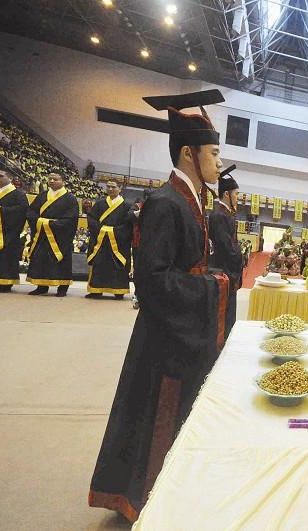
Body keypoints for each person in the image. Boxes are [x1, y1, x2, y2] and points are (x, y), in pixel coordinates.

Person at [89, 90, 230, 523]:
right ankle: (146, 502)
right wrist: (212, 285)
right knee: (158, 417)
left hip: (181, 330)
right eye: (213, 153)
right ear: (189, 153)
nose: (219, 162)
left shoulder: (192, 201)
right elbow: (152, 281)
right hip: (164, 337)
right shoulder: (165, 203)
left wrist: (205, 281)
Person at [26, 172, 79, 296]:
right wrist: (39, 221)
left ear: (63, 182)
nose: (51, 181)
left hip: (60, 237)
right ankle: (41, 286)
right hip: (42, 234)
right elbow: (31, 211)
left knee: (61, 261)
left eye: (55, 179)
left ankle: (62, 288)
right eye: (50, 179)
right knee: (41, 259)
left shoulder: (70, 198)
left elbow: (71, 218)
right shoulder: (42, 195)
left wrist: (53, 224)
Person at [208, 167, 244, 341]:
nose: (237, 198)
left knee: (229, 314)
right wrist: (241, 257)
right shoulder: (219, 215)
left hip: (227, 269)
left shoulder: (225, 213)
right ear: (226, 194)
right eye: (236, 194)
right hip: (223, 270)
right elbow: (226, 247)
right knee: (224, 315)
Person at [85, 180, 134, 299]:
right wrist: (103, 230)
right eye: (108, 187)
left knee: (118, 265)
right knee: (99, 264)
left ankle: (119, 291)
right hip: (100, 240)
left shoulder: (127, 205)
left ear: (120, 188)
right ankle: (96, 290)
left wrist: (113, 232)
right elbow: (91, 219)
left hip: (118, 242)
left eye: (113, 187)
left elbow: (128, 224)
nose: (110, 189)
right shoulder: (99, 203)